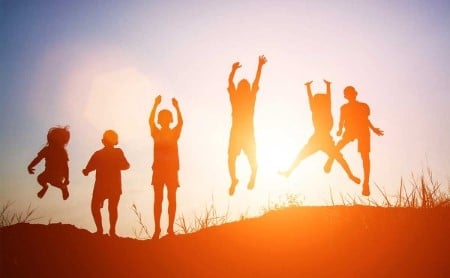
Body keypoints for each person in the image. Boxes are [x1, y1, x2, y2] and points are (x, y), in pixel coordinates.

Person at [279, 80, 360, 185]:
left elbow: (327, 98)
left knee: (338, 157)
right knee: (303, 155)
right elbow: (312, 99)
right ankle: (288, 171)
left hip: (324, 138)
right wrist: (310, 87)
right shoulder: (315, 109)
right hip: (318, 138)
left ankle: (350, 175)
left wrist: (327, 86)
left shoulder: (325, 108)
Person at [323, 85, 384, 196]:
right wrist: (340, 130)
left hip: (362, 131)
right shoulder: (344, 108)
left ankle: (366, 183)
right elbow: (341, 121)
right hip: (350, 130)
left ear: (355, 94)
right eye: (347, 94)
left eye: (351, 93)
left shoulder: (363, 106)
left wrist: (374, 129)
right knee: (338, 146)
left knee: (365, 157)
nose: (349, 95)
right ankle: (331, 159)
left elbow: (365, 119)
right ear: (346, 96)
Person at [227, 55, 267, 196]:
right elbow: (252, 82)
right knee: (236, 158)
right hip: (242, 133)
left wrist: (233, 71)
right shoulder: (244, 98)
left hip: (242, 133)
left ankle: (246, 177)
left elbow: (232, 82)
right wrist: (259, 66)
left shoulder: (240, 98)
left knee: (246, 159)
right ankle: (235, 180)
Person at [82, 130, 130, 237]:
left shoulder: (117, 152)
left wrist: (87, 170)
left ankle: (111, 230)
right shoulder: (98, 154)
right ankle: (101, 230)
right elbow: (90, 166)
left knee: (111, 208)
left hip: (112, 185)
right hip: (103, 185)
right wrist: (87, 171)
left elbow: (126, 165)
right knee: (98, 206)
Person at [149, 95, 183, 240]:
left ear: (170, 119)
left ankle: (170, 228)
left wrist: (177, 107)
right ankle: (157, 229)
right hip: (159, 170)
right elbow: (150, 121)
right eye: (161, 117)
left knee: (171, 199)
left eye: (166, 117)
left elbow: (181, 122)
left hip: (171, 170)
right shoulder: (156, 132)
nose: (164, 119)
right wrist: (155, 105)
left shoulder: (174, 133)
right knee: (158, 200)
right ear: (160, 120)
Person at [28, 126, 70, 200]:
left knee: (53, 181)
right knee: (40, 178)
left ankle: (63, 187)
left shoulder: (62, 152)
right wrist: (30, 166)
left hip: (58, 173)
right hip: (48, 172)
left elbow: (65, 166)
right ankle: (45, 187)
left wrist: (66, 178)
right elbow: (38, 159)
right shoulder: (47, 149)